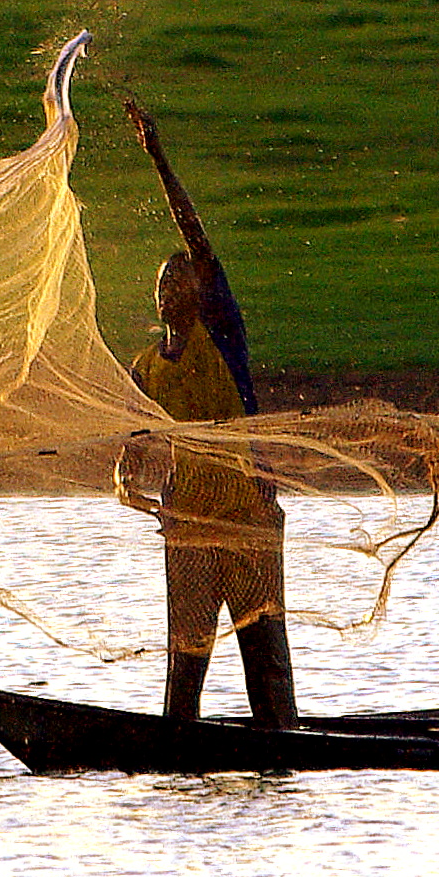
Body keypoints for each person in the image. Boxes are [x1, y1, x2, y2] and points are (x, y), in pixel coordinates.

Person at [114, 96, 297, 730]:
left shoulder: (222, 332)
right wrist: (128, 472)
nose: (175, 290)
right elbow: (136, 443)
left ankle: (281, 747)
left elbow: (196, 235)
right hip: (187, 521)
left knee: (264, 655)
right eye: (165, 284)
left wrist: (158, 157)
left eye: (185, 280)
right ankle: (178, 747)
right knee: (184, 661)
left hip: (246, 514)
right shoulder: (147, 367)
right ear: (156, 299)